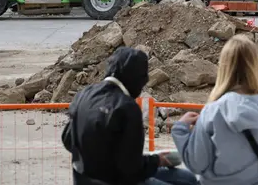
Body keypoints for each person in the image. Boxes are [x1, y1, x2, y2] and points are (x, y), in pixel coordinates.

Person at [62, 47, 198, 185]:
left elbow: (67, 139)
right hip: (117, 179)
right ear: (137, 79)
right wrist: (158, 160)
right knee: (189, 180)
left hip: (83, 178)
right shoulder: (127, 107)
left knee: (186, 178)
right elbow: (131, 169)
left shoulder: (84, 94)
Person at [171, 35, 258, 184]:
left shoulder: (213, 111)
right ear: (256, 65)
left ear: (224, 67)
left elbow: (197, 163)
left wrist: (180, 129)